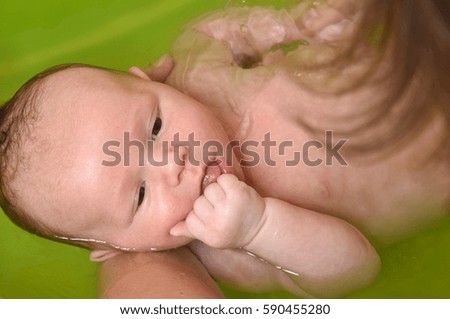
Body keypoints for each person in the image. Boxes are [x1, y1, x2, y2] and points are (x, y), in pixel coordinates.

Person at [1, 0, 448, 298]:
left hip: (424, 52)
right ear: (116, 246)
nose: (171, 163)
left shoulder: (197, 77)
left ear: (149, 81)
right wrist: (258, 228)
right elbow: (356, 271)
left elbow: (208, 33)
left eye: (155, 126)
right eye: (139, 194)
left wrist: (277, 27)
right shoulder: (229, 253)